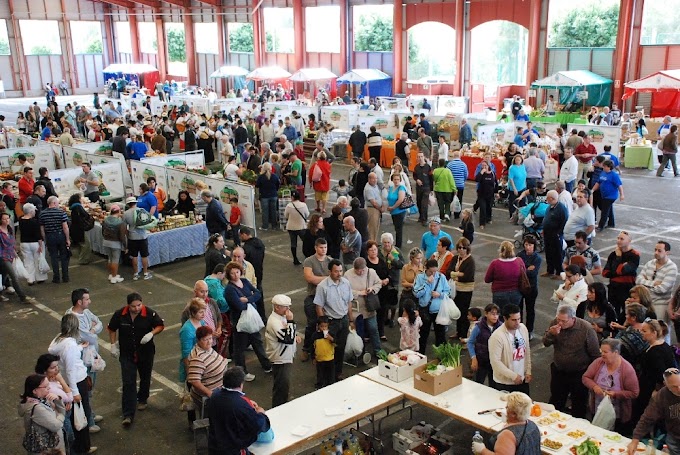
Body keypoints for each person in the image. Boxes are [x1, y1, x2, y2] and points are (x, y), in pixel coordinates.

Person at [107, 293, 164, 427]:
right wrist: (112, 344)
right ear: (128, 305)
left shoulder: (149, 313)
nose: (137, 308)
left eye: (139, 305)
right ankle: (128, 414)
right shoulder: (120, 314)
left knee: (145, 377)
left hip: (146, 353)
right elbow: (112, 328)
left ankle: (143, 398)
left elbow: (160, 326)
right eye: (133, 306)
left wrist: (151, 333)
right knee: (128, 382)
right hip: (127, 354)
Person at [542, 304, 600, 418]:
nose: (560, 323)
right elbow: (545, 343)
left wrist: (592, 376)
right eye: (558, 319)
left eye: (564, 321)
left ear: (573, 319)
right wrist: (551, 334)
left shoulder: (586, 329)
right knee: (556, 401)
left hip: (579, 373)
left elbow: (595, 354)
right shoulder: (555, 323)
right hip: (559, 370)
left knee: (578, 404)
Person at [47, 314, 93, 453]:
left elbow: (62, 354)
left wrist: (78, 347)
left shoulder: (59, 339)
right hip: (77, 382)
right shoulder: (71, 345)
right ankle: (83, 446)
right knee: (81, 413)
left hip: (67, 381)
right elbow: (71, 369)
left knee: (74, 414)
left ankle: (79, 445)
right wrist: (75, 392)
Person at [224, 261, 272, 382]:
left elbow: (257, 293)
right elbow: (239, 305)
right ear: (229, 275)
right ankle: (242, 372)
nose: (235, 275)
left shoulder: (244, 281)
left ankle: (267, 365)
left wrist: (247, 299)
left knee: (257, 342)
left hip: (250, 319)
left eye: (237, 272)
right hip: (239, 322)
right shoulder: (229, 289)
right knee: (239, 348)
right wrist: (250, 300)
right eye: (232, 273)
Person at [206, 366, 271, 455]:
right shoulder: (241, 406)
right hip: (233, 449)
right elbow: (258, 424)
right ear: (241, 384)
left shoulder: (215, 395)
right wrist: (261, 413)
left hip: (215, 445)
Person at [65, 288, 104, 433]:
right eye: (87, 299)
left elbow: (98, 323)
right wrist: (92, 332)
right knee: (85, 390)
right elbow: (87, 337)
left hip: (91, 357)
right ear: (79, 302)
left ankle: (90, 415)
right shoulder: (72, 318)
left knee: (90, 389)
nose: (90, 301)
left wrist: (93, 330)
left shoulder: (86, 312)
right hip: (82, 360)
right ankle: (89, 421)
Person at [583, 338, 640, 435]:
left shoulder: (627, 369)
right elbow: (586, 377)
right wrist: (594, 387)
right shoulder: (598, 362)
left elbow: (634, 392)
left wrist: (616, 394)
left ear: (616, 352)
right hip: (598, 409)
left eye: (605, 352)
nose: (602, 354)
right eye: (601, 351)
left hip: (617, 415)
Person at [314, 259, 353, 381]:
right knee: (329, 349)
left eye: (341, 271)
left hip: (344, 319)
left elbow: (349, 302)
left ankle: (338, 372)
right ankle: (326, 376)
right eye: (336, 271)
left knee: (341, 347)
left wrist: (351, 320)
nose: (339, 273)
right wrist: (323, 325)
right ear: (330, 271)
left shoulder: (346, 283)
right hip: (331, 322)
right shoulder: (322, 286)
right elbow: (319, 306)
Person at [633, 319, 678, 424]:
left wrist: (657, 391)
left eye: (644, 331)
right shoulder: (663, 345)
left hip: (651, 390)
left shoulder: (655, 353)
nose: (641, 333)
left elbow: (662, 374)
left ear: (654, 333)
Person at [471, 392, 541, 455]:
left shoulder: (508, 435)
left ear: (514, 414)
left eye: (507, 407)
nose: (505, 409)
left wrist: (482, 450)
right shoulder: (533, 425)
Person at [18, 374, 68, 455]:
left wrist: (57, 399)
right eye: (46, 386)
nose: (49, 388)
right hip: (48, 448)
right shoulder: (38, 408)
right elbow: (56, 426)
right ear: (35, 391)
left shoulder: (38, 399)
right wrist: (61, 415)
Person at [488, 304, 532, 393]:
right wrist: (513, 376)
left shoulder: (523, 328)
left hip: (522, 380)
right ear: (505, 318)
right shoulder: (497, 337)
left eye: (519, 319)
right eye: (514, 320)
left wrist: (528, 370)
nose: (517, 322)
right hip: (505, 383)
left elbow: (527, 350)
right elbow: (495, 362)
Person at [187, 326, 228, 417]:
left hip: (219, 390)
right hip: (209, 397)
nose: (209, 341)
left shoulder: (207, 348)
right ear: (198, 340)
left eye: (210, 338)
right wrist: (209, 393)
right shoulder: (197, 358)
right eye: (206, 339)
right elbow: (194, 381)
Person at [346, 257, 383, 356]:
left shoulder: (371, 272)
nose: (361, 272)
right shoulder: (347, 275)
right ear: (354, 269)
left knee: (373, 329)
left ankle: (377, 350)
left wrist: (372, 289)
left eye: (363, 270)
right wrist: (359, 293)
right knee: (359, 332)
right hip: (356, 310)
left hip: (369, 308)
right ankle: (360, 352)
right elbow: (345, 290)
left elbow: (379, 283)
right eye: (359, 271)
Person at [413, 258, 451, 354]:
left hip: (438, 311)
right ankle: (420, 356)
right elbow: (416, 293)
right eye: (431, 271)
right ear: (426, 269)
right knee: (423, 335)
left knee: (441, 336)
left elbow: (448, 291)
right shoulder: (420, 277)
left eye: (435, 271)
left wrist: (439, 294)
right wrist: (426, 283)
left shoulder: (441, 277)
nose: (434, 274)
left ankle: (441, 357)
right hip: (425, 310)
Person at [635, 241, 678, 323]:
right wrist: (653, 283)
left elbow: (662, 289)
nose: (656, 253)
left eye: (659, 251)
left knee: (661, 332)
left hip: (660, 305)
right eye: (655, 250)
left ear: (667, 252)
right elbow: (638, 280)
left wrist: (644, 285)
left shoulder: (672, 268)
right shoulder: (649, 263)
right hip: (646, 304)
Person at [603, 231, 640, 320]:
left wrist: (619, 258)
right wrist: (618, 268)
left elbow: (621, 270)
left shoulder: (634, 255)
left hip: (626, 289)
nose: (619, 241)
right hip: (613, 289)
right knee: (612, 312)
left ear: (629, 241)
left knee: (626, 314)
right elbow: (605, 273)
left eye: (622, 239)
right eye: (618, 238)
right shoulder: (613, 254)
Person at [446, 237, 475, 340]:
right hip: (455, 289)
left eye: (463, 248)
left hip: (466, 290)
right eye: (459, 247)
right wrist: (458, 274)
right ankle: (458, 332)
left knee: (464, 312)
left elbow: (467, 276)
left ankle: (464, 334)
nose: (461, 250)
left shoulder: (470, 261)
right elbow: (448, 271)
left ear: (467, 248)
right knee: (457, 311)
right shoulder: (455, 258)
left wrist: (454, 274)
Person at [485, 241, 525, 313]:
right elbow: (523, 274)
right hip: (515, 293)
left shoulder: (495, 263)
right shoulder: (519, 261)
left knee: (499, 315)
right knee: (512, 314)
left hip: (499, 293)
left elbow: (487, 279)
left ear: (501, 250)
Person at [39, 196, 71, 284]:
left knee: (53, 257)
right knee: (64, 257)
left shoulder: (42, 214)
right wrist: (68, 239)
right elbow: (65, 227)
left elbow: (42, 229)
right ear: (54, 203)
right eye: (57, 203)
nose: (58, 204)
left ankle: (56, 277)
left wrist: (45, 239)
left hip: (50, 236)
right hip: (60, 235)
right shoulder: (61, 212)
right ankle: (65, 277)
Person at [123, 197, 152, 281]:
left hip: (132, 237)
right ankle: (146, 273)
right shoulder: (141, 210)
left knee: (134, 256)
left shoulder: (125, 214)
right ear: (135, 203)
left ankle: (135, 273)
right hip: (142, 236)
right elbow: (148, 220)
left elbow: (125, 228)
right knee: (144, 255)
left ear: (128, 204)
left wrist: (128, 236)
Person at [517, 236, 541, 339]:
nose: (527, 247)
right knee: (519, 309)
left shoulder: (537, 258)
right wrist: (528, 268)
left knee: (530, 309)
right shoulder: (520, 255)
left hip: (531, 287)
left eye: (530, 245)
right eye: (526, 244)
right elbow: (518, 270)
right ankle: (519, 328)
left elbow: (533, 273)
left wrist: (523, 269)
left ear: (534, 246)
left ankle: (529, 330)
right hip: (520, 286)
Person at [541, 190, 568, 279]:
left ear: (552, 198)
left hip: (555, 235)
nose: (546, 199)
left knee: (557, 254)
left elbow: (564, 222)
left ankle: (559, 272)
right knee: (548, 253)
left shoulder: (561, 209)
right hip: (547, 234)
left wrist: (558, 233)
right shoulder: (550, 207)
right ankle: (550, 270)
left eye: (547, 198)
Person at [19, 203, 48, 285]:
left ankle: (30, 279)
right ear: (31, 211)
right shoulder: (34, 222)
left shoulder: (20, 220)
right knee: (38, 260)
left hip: (24, 243)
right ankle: (40, 278)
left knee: (28, 261)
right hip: (35, 243)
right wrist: (41, 245)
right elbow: (38, 234)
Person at [591, 160, 624, 231]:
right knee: (609, 209)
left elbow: (619, 185)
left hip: (610, 196)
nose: (603, 167)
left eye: (605, 166)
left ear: (609, 167)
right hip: (604, 195)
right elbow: (598, 183)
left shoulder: (614, 175)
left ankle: (601, 226)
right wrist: (592, 190)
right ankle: (611, 223)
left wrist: (622, 195)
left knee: (605, 211)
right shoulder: (603, 173)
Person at [101, 203, 126, 284]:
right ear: (118, 211)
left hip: (106, 241)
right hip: (115, 243)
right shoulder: (120, 222)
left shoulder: (106, 220)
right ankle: (114, 277)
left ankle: (111, 274)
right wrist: (125, 246)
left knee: (110, 259)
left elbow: (102, 231)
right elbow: (122, 236)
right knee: (115, 260)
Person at [68, 193, 94, 266]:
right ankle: (84, 260)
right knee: (86, 245)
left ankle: (81, 258)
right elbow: (85, 215)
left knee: (80, 244)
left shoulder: (72, 207)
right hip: (80, 228)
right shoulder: (78, 207)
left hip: (74, 228)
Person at [255, 162, 280, 231]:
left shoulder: (261, 177)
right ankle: (274, 226)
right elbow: (278, 185)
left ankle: (265, 226)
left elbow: (257, 185)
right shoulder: (275, 176)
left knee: (265, 212)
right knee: (273, 211)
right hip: (273, 195)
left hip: (264, 196)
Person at [386, 173, 407, 248]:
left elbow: (400, 199)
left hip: (399, 211)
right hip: (393, 211)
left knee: (398, 229)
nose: (396, 181)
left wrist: (393, 207)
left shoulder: (401, 188)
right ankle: (398, 244)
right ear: (392, 180)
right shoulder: (391, 187)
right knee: (396, 227)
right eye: (395, 179)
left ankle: (398, 245)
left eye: (398, 179)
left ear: (400, 180)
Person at [413, 152, 432, 224]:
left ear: (424, 157)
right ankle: (421, 216)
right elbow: (414, 176)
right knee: (419, 202)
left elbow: (431, 178)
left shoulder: (428, 167)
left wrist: (431, 189)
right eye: (418, 157)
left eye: (421, 156)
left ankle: (424, 219)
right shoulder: (416, 167)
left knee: (424, 204)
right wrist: (417, 180)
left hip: (426, 187)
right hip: (419, 188)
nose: (420, 158)